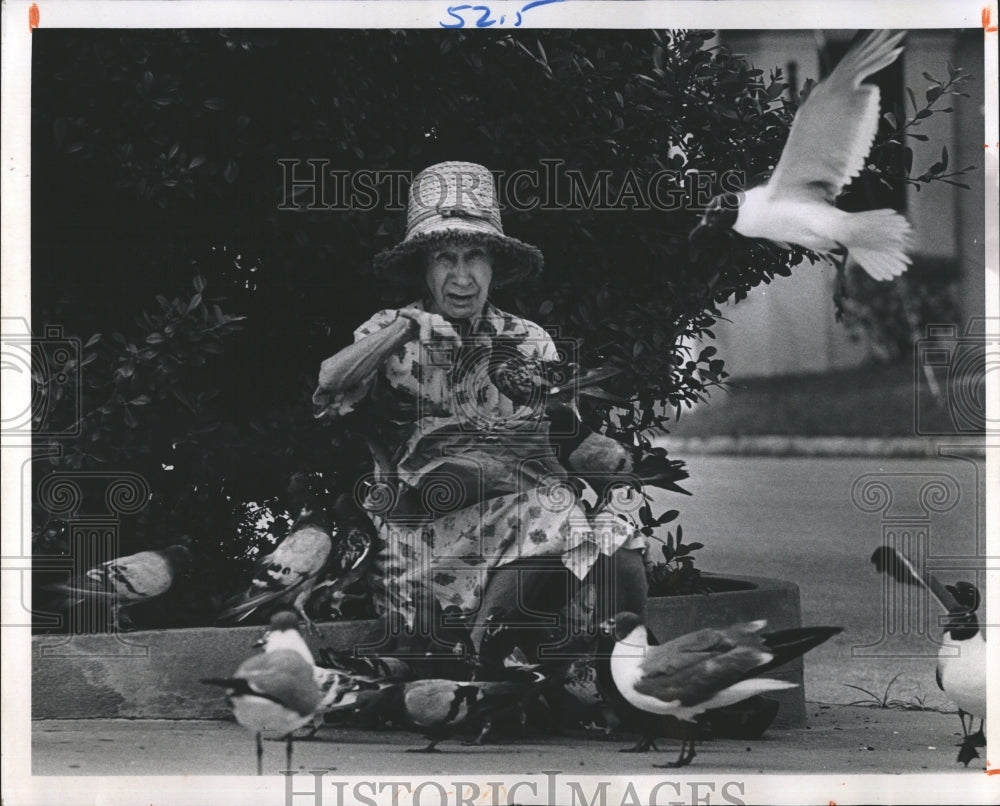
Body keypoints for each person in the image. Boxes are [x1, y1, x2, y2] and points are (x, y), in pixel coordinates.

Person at [312, 161, 647, 669]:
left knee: (601, 529)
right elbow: (329, 384)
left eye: (475, 258)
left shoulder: (529, 341)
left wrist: (606, 466)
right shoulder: (387, 332)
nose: (462, 276)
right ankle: (490, 662)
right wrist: (405, 329)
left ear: (496, 267)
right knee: (557, 513)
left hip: (523, 519)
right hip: (419, 535)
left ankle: (613, 666)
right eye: (445, 258)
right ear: (423, 266)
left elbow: (564, 441)